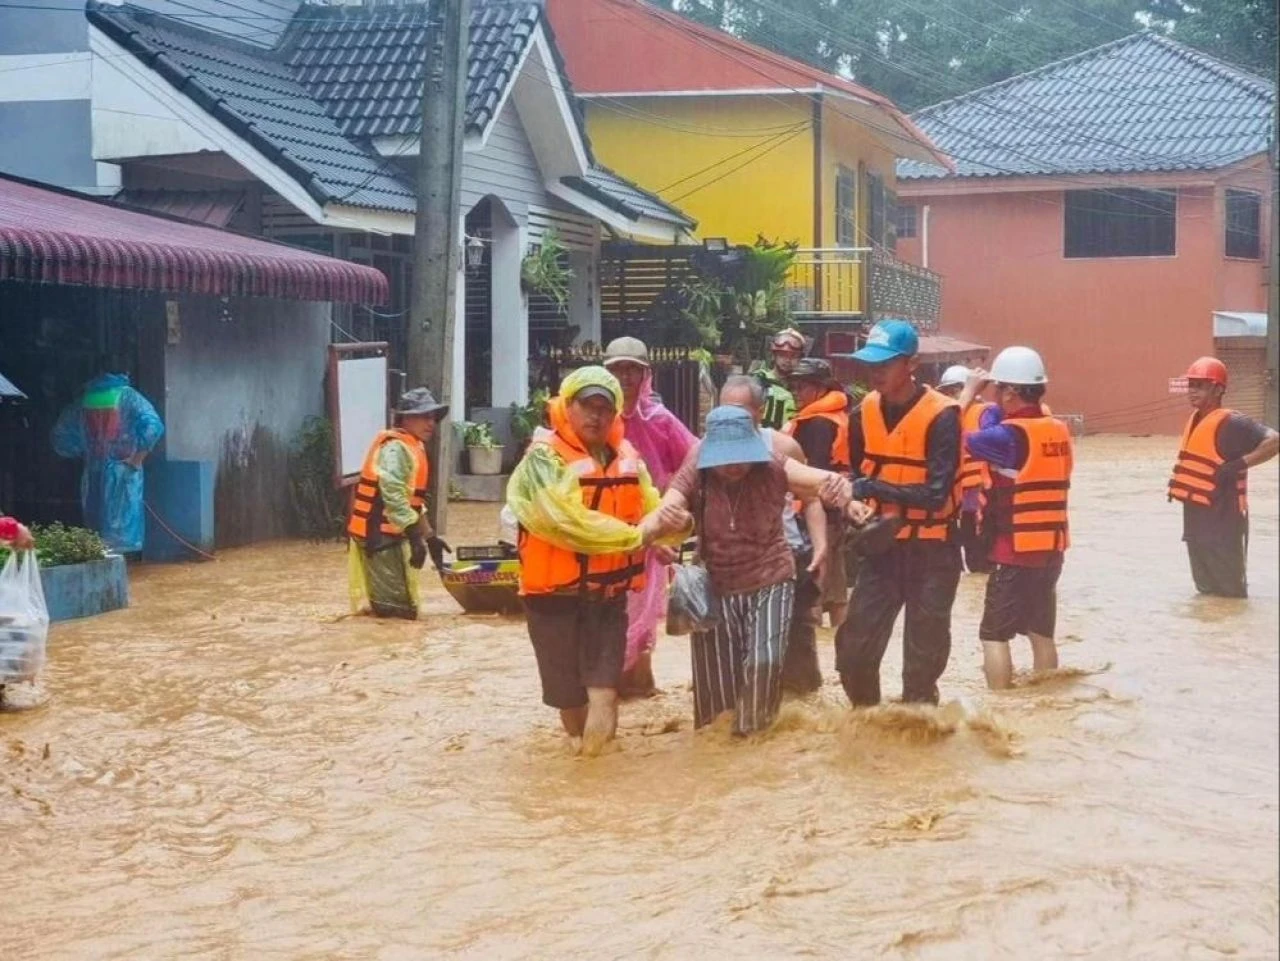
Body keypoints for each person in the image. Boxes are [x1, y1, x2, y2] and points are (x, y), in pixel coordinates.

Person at [506, 366, 689, 755]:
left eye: (605, 409)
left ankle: (595, 770)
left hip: (608, 596)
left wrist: (678, 526)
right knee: (569, 697)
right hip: (553, 597)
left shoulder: (628, 459)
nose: (596, 416)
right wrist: (639, 535)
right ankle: (582, 759)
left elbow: (652, 508)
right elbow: (567, 524)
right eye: (587, 406)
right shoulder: (543, 460)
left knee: (604, 690)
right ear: (566, 407)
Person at [662, 406, 866, 735]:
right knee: (716, 693)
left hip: (770, 576)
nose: (733, 466)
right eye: (725, 457)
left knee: (765, 662)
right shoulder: (696, 466)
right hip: (717, 583)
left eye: (740, 455)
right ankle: (720, 753)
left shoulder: (773, 464)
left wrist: (841, 491)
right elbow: (668, 504)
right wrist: (652, 532)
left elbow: (818, 480)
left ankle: (753, 739)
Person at [836, 319, 963, 707]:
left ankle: (919, 740)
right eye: (870, 364)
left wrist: (872, 488)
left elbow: (936, 493)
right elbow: (857, 474)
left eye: (885, 363)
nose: (875, 372)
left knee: (921, 666)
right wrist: (855, 502)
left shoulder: (943, 416)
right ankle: (868, 728)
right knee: (853, 653)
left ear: (910, 364)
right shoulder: (862, 413)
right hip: (882, 549)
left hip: (934, 550)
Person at [959, 348, 1072, 689]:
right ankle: (1046, 700)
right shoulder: (1057, 430)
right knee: (1041, 634)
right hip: (1051, 550)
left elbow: (947, 434)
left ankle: (1002, 705)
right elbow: (999, 418)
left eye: (997, 391)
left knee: (993, 636)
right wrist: (993, 398)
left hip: (1014, 551)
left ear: (1009, 392)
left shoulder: (1006, 438)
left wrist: (967, 395)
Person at [720, 375, 830, 695]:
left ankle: (799, 718)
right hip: (733, 561)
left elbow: (810, 497)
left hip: (785, 554)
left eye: (742, 411)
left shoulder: (783, 447)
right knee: (738, 652)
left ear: (760, 411)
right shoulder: (708, 451)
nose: (734, 419)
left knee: (796, 647)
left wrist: (822, 546)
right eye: (726, 411)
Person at [601, 336, 698, 698]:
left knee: (641, 608)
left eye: (633, 370)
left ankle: (637, 682)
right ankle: (613, 683)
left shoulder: (660, 420)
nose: (626, 377)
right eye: (618, 369)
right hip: (603, 531)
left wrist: (674, 511)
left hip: (651, 530)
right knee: (607, 606)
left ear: (645, 375)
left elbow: (695, 457)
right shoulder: (594, 417)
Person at [1167, 356, 1279, 598]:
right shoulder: (1195, 420)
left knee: (1231, 596)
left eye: (1200, 385)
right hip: (1196, 526)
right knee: (1206, 596)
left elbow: (1274, 440)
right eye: (1191, 385)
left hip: (1225, 526)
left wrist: (1241, 463)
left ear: (1218, 389)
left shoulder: (1233, 422)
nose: (1192, 391)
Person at [347, 388, 450, 620]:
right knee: (394, 611)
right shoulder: (395, 449)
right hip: (377, 537)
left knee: (403, 607)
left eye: (433, 418)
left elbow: (412, 502)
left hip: (391, 535)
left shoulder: (412, 447)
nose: (430, 423)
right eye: (424, 417)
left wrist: (429, 537)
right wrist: (415, 536)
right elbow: (392, 495)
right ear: (405, 418)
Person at [51, 372, 164, 554]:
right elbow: (154, 426)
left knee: (96, 526)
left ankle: (102, 564)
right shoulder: (128, 396)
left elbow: (61, 435)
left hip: (93, 469)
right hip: (123, 467)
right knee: (121, 528)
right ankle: (123, 569)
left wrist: (85, 451)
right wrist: (137, 459)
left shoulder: (85, 400)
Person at [786, 357, 854, 629]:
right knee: (836, 590)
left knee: (811, 586)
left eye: (802, 387)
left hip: (818, 513)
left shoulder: (817, 424)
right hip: (834, 511)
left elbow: (813, 472)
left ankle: (810, 654)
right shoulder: (833, 418)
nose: (797, 393)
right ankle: (843, 652)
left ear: (819, 388)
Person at [938, 364, 994, 574]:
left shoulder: (986, 413)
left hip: (981, 496)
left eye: (953, 390)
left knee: (979, 559)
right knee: (962, 558)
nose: (949, 395)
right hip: (958, 500)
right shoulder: (946, 416)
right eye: (946, 391)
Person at [754, 328, 806, 429]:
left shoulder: (805, 388)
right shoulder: (759, 382)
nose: (787, 360)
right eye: (782, 355)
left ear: (800, 359)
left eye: (793, 356)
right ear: (774, 356)